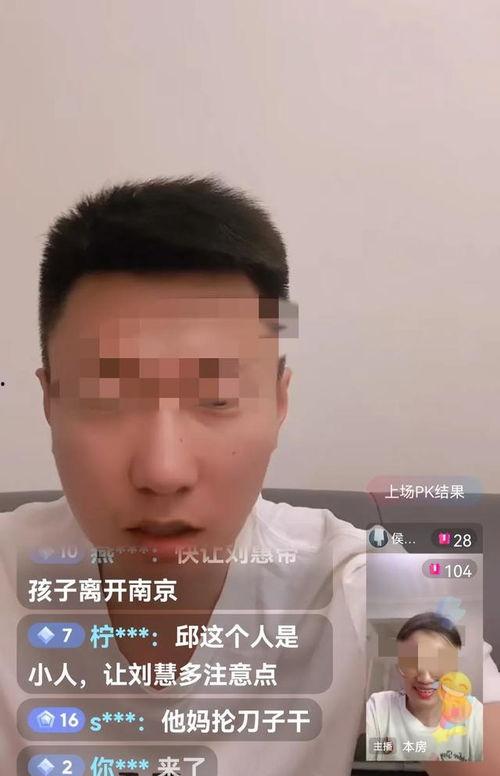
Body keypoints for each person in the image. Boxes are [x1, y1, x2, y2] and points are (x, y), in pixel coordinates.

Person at [0, 176, 499, 775]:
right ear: (50, 402)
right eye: (107, 400)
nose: (163, 470)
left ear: (279, 402)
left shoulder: (358, 588)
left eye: (216, 399)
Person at [366, 612, 483, 762]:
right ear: (399, 667)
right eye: (413, 663)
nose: (425, 679)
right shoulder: (379, 707)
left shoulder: (473, 713)